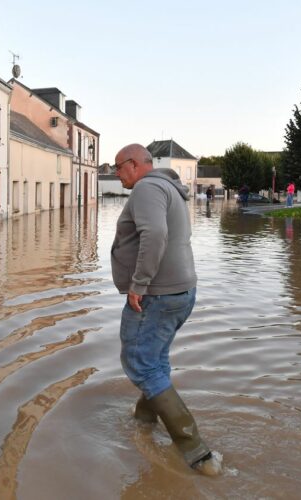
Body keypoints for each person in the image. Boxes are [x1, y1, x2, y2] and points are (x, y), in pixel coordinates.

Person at [111, 144, 218, 474]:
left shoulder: (146, 188)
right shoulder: (168, 188)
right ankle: (144, 418)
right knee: (154, 358)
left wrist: (139, 284)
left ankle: (197, 453)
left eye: (117, 167)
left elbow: (155, 234)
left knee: (140, 362)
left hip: (155, 295)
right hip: (180, 292)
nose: (115, 173)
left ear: (133, 165)